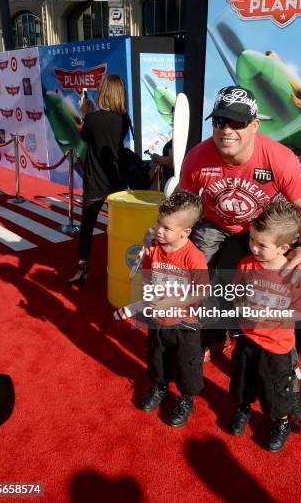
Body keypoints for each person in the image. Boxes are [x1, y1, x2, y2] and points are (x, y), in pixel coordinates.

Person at [177, 85, 301, 348]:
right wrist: (164, 229)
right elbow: (181, 197)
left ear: (254, 125)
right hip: (213, 223)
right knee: (195, 276)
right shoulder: (197, 157)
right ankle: (208, 333)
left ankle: (250, 333)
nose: (227, 130)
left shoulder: (279, 158)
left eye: (237, 122)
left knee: (263, 280)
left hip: (259, 227)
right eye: (220, 121)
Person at [229, 200, 301, 452]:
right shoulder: (245, 264)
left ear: (283, 247)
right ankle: (243, 409)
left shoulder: (292, 273)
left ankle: (281, 422)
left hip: (277, 347)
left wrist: (270, 315)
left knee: (275, 391)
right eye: (252, 239)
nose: (253, 246)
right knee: (243, 380)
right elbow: (236, 296)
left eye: (261, 244)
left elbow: (299, 313)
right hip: (247, 339)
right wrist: (241, 308)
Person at [139, 191, 209, 427]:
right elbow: (147, 275)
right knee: (157, 356)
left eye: (166, 227)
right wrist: (143, 253)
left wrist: (171, 302)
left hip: (184, 324)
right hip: (158, 319)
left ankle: (187, 399)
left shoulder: (194, 257)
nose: (159, 230)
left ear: (185, 232)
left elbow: (201, 291)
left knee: (186, 363)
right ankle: (160, 387)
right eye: (158, 222)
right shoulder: (155, 248)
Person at [68, 75, 130, 286]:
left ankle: (82, 269)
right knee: (118, 229)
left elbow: (86, 136)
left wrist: (86, 112)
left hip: (95, 181)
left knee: (87, 227)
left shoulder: (93, 119)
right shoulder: (124, 120)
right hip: (117, 180)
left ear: (103, 92)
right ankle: (121, 267)